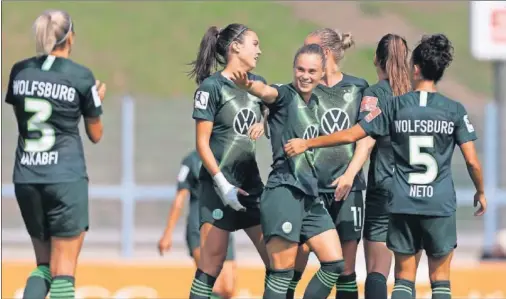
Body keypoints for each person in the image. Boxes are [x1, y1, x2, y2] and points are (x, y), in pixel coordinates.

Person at [284, 34, 487, 299]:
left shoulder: (388, 103)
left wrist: (309, 143)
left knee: (396, 275)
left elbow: (358, 136)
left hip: (395, 195)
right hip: (438, 201)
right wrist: (480, 191)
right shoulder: (451, 109)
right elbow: (472, 161)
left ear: (414, 67)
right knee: (439, 279)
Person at [5, 10, 106, 299]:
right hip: (64, 178)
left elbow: (24, 115)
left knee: (44, 267)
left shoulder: (19, 71)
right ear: (69, 37)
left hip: (26, 176)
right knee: (64, 271)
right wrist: (96, 99)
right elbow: (95, 134)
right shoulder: (80, 76)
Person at [230, 43, 345, 299]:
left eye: (312, 71)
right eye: (300, 69)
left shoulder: (317, 102)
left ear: (322, 72)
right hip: (284, 191)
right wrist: (249, 86)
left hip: (310, 195)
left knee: (335, 263)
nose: (305, 75)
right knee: (281, 273)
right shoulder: (285, 94)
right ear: (293, 69)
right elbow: (266, 92)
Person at [187, 23, 270, 299]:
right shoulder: (211, 87)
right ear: (236, 47)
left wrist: (264, 120)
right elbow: (202, 144)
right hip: (218, 189)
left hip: (251, 186)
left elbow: (278, 110)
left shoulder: (258, 84)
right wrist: (222, 185)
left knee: (277, 262)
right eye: (254, 43)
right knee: (212, 265)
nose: (259, 50)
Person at [288, 28, 369, 299]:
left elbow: (367, 138)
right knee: (294, 261)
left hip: (348, 188)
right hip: (309, 189)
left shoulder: (359, 88)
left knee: (345, 269)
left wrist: (349, 175)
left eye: (308, 49)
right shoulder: (304, 88)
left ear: (324, 53)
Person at [359, 34, 421, 299]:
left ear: (376, 58)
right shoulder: (418, 97)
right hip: (416, 192)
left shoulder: (374, 95)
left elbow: (366, 138)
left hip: (383, 190)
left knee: (376, 270)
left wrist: (350, 173)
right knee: (406, 276)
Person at [158, 150, 237, 299]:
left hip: (223, 226)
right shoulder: (191, 161)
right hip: (199, 226)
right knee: (214, 283)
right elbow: (179, 199)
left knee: (229, 287)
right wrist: (167, 234)